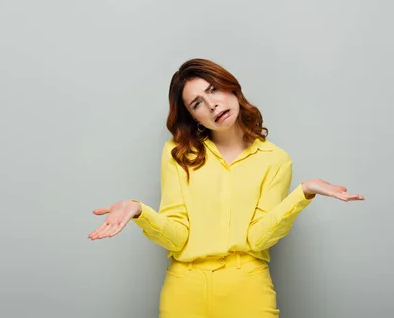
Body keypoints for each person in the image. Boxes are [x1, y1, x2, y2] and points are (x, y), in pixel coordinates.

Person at [88, 58, 364, 317]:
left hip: (248, 288)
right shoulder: (178, 153)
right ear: (194, 116)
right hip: (184, 288)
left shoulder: (276, 160)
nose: (212, 105)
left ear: (232, 88)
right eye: (197, 103)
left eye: (214, 90)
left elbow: (258, 239)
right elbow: (177, 237)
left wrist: (303, 193)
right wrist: (139, 211)